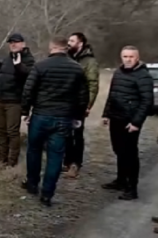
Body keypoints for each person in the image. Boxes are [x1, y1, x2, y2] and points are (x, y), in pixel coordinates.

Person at [20, 36, 89, 206]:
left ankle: (32, 183)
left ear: (51, 48)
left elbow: (28, 91)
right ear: (66, 48)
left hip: (41, 115)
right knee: (56, 156)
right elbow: (83, 97)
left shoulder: (40, 66)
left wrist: (25, 111)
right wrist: (78, 117)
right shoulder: (77, 69)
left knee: (34, 150)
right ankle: (47, 193)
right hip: (64, 118)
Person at [101, 45, 154, 200]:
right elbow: (112, 94)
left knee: (130, 154)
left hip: (130, 121)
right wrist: (106, 114)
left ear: (137, 58)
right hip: (116, 117)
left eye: (131, 57)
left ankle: (132, 188)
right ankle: (120, 180)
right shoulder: (118, 72)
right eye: (125, 56)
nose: (128, 59)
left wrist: (136, 122)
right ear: (121, 57)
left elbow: (147, 101)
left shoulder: (143, 76)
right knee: (119, 151)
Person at [0, 33, 35, 167]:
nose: (13, 45)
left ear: (23, 44)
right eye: (11, 43)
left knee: (12, 132)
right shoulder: (7, 59)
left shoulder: (28, 59)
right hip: (2, 99)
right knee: (1, 130)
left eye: (16, 42)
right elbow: (1, 78)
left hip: (15, 101)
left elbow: (28, 76)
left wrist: (18, 65)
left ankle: (12, 161)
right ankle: (1, 159)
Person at [63, 32, 100, 178]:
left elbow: (93, 84)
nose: (69, 43)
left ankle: (75, 164)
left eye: (72, 40)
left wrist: (88, 105)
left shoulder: (89, 61)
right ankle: (66, 162)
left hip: (79, 104)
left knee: (76, 134)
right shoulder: (67, 57)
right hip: (65, 103)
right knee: (65, 133)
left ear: (81, 43)